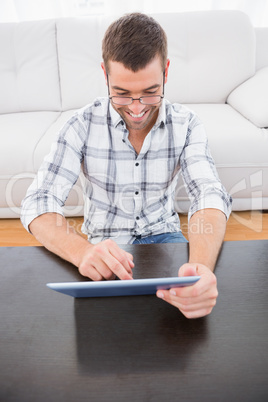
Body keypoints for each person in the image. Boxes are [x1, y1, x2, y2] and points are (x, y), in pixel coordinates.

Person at [21, 13, 232, 319]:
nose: (136, 108)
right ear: (104, 73)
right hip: (102, 244)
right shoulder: (79, 125)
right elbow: (38, 202)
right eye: (121, 93)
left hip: (165, 238)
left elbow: (209, 194)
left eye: (150, 92)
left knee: (191, 322)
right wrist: (82, 252)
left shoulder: (187, 124)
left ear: (166, 71)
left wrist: (200, 268)